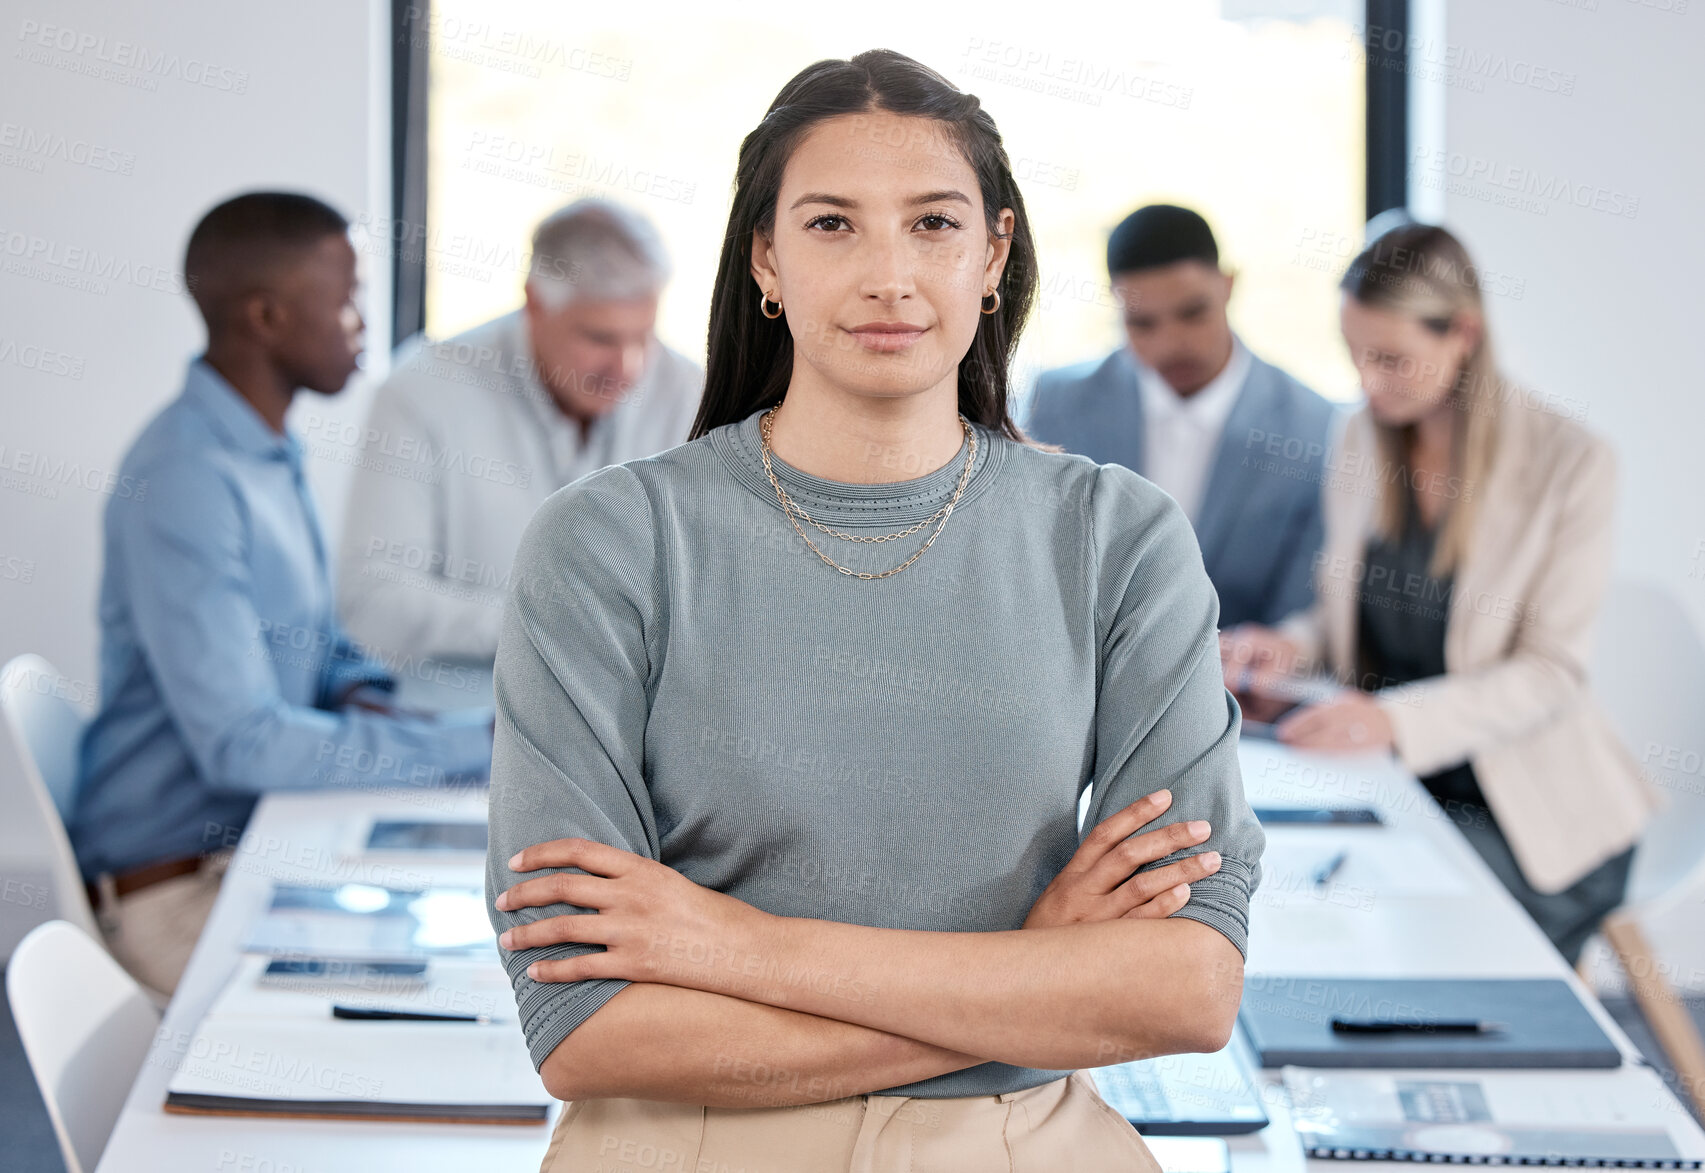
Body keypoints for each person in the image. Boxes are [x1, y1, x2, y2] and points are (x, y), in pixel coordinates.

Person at [484, 51, 1265, 1172]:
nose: (889, 275)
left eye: (935, 225)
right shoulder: (607, 543)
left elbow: (1185, 988)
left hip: (1018, 1147)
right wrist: (1026, 971)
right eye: (832, 225)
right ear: (767, 257)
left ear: (994, 253)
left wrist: (740, 946)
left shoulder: (1117, 540)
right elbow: (588, 1029)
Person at [70, 192, 494, 1001]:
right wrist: (475, 750)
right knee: (431, 994)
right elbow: (243, 742)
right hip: (177, 892)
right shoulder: (188, 477)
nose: (362, 321)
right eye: (345, 299)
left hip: (251, 851)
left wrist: (379, 698)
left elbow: (312, 644)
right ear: (266, 316)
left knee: (463, 957)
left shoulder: (263, 448)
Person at [1220, 222, 1660, 966]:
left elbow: (1551, 672)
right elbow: (1341, 613)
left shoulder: (1571, 462)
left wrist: (1387, 720)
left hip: (1530, 814)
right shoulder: (1361, 436)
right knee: (1275, 882)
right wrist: (1288, 647)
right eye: (1355, 355)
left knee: (1404, 937)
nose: (1366, 380)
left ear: (1463, 333)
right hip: (1393, 783)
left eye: (1390, 358)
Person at [335, 198, 703, 664]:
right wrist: (556, 627)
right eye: (599, 338)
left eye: (643, 336)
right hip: (466, 719)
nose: (627, 368)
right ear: (535, 303)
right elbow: (373, 602)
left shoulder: (691, 392)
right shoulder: (423, 392)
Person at [1025, 205, 1339, 628]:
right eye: (1142, 323)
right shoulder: (1055, 405)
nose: (1171, 343)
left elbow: (1298, 618)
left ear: (1229, 285)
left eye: (1192, 313)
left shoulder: (1315, 428)